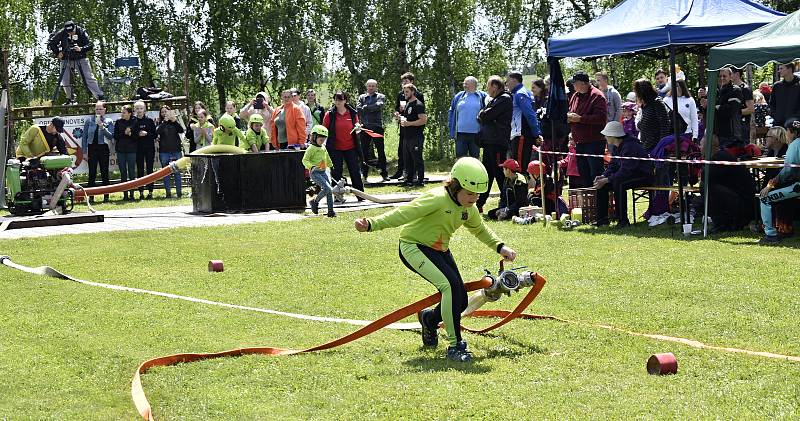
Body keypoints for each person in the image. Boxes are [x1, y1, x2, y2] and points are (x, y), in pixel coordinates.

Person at [354, 157, 518, 363]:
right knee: (449, 287)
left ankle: (429, 320)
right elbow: (403, 214)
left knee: (460, 300)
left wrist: (500, 247)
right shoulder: (437, 198)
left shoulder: (469, 208)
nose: (473, 198)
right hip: (413, 247)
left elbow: (479, 229)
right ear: (455, 186)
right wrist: (370, 224)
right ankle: (455, 345)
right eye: (469, 193)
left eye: (477, 194)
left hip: (440, 250)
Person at [593, 121, 654, 227]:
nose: (605, 137)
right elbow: (613, 165)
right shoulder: (618, 146)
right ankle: (602, 220)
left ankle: (623, 221)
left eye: (606, 135)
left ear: (613, 136)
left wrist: (608, 179)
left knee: (618, 183)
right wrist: (604, 176)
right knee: (602, 185)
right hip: (629, 174)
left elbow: (627, 170)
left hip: (643, 176)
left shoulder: (630, 146)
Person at [701, 134, 756, 233]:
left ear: (709, 147)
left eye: (701, 145)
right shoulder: (720, 156)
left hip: (742, 202)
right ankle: (721, 221)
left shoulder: (720, 157)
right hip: (737, 198)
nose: (699, 148)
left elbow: (705, 176)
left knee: (706, 187)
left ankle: (722, 223)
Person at [757, 118, 800, 244]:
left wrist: (770, 185)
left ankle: (770, 235)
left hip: (797, 186)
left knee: (764, 198)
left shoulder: (794, 145)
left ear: (790, 131)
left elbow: (787, 172)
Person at [476, 75, 512, 213]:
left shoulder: (504, 99)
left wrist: (483, 115)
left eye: (488, 86)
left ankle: (506, 201)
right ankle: (479, 203)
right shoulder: (496, 99)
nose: (487, 89)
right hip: (489, 142)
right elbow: (482, 116)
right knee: (487, 174)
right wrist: (483, 115)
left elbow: (485, 116)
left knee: (500, 173)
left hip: (497, 142)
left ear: (495, 86)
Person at [47, 21, 104, 104]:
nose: (70, 33)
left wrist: (81, 48)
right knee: (65, 80)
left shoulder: (81, 31)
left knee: (88, 78)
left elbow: (90, 44)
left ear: (75, 28)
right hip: (66, 58)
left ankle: (100, 96)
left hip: (80, 58)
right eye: (68, 32)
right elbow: (51, 42)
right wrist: (57, 52)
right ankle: (70, 98)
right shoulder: (62, 32)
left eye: (72, 31)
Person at [568, 71, 607, 187]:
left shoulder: (597, 96)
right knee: (583, 174)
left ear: (583, 83)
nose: (573, 85)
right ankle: (590, 204)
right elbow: (572, 112)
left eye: (575, 83)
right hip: (580, 142)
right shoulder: (575, 96)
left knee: (595, 174)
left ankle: (600, 204)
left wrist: (580, 119)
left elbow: (601, 118)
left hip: (594, 142)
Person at [323, 91, 365, 194]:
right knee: (336, 173)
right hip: (335, 148)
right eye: (336, 99)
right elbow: (323, 129)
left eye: (340, 99)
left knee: (355, 172)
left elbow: (357, 128)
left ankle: (360, 195)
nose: (338, 102)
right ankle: (337, 196)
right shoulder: (330, 114)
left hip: (351, 147)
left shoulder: (352, 113)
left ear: (345, 100)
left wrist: (358, 128)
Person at [506, 72, 542, 175]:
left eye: (507, 81)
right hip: (520, 134)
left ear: (514, 80)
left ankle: (521, 190)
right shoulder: (523, 92)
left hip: (521, 135)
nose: (506, 84)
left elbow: (530, 114)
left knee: (519, 167)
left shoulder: (520, 94)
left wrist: (536, 133)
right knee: (520, 165)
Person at [392, 72, 424, 180]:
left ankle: (415, 175)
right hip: (403, 126)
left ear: (411, 82)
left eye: (406, 81)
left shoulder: (418, 95)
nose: (404, 83)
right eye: (403, 81)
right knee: (402, 150)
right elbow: (398, 108)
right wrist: (397, 113)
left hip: (414, 128)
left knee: (414, 153)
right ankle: (402, 171)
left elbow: (421, 114)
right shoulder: (401, 95)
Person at [81, 101, 113, 203]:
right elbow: (85, 137)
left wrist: (102, 127)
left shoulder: (109, 121)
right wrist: (84, 152)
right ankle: (91, 196)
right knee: (92, 173)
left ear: (105, 110)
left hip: (103, 148)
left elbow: (110, 136)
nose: (98, 111)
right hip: (92, 148)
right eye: (97, 109)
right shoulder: (89, 121)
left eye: (100, 109)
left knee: (104, 172)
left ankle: (106, 196)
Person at [357, 79, 389, 181]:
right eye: (369, 86)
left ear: (376, 87)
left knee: (381, 151)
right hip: (365, 127)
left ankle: (384, 174)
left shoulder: (380, 96)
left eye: (373, 86)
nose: (371, 87)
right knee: (364, 152)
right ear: (367, 87)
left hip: (376, 127)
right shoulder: (362, 97)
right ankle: (364, 174)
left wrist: (365, 108)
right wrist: (369, 108)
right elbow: (358, 109)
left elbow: (378, 106)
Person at [396, 83, 427, 186]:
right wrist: (399, 117)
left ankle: (420, 180)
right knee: (407, 159)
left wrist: (410, 124)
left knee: (417, 159)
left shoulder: (418, 104)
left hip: (416, 136)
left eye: (407, 92)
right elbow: (407, 118)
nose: (405, 94)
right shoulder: (407, 104)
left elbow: (423, 120)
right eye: (404, 92)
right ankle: (409, 180)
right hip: (406, 136)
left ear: (413, 92)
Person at [302, 125, 336, 217]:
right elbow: (304, 160)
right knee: (327, 188)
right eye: (320, 139)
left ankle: (331, 211)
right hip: (315, 173)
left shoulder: (323, 148)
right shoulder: (311, 148)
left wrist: (331, 166)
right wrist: (311, 167)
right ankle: (314, 201)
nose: (322, 141)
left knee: (329, 190)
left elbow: (327, 157)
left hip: (324, 171)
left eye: (324, 139)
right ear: (314, 137)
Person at [448, 76, 486, 159]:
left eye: (466, 83)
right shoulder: (459, 96)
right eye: (464, 83)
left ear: (474, 85)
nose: (464, 85)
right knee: (460, 157)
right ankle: (460, 172)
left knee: (475, 158)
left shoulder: (482, 96)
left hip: (476, 134)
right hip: (460, 134)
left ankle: (475, 172)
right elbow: (451, 112)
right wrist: (451, 129)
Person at [635, 78, 671, 152]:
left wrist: (661, 145)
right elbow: (644, 124)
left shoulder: (657, 103)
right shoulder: (645, 106)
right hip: (646, 144)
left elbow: (665, 124)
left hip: (656, 145)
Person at [156, 106, 184, 198]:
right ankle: (168, 193)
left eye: (166, 112)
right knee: (166, 173)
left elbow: (181, 130)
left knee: (177, 172)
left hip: (176, 150)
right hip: (164, 151)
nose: (165, 113)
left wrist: (174, 121)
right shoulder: (160, 122)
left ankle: (179, 193)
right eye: (163, 112)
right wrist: (165, 121)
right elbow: (157, 131)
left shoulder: (174, 122)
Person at [714, 68, 744, 149]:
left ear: (731, 77)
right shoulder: (716, 91)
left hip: (731, 135)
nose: (722, 78)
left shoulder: (735, 90)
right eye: (720, 76)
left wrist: (717, 107)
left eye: (724, 76)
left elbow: (731, 110)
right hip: (718, 133)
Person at [113, 105, 138, 201]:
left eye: (124, 112)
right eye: (121, 112)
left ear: (129, 113)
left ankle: (132, 194)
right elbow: (115, 136)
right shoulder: (118, 122)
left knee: (131, 172)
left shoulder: (134, 121)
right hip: (121, 150)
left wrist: (130, 134)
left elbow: (136, 137)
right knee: (123, 173)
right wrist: (124, 133)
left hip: (132, 150)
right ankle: (125, 195)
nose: (122, 114)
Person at [133, 101, 157, 200]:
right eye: (137, 108)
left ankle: (150, 191)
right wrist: (137, 134)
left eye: (141, 108)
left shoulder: (150, 121)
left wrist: (146, 134)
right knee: (140, 170)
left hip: (149, 149)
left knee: (150, 170)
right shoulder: (133, 121)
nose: (139, 110)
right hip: (138, 149)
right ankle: (141, 191)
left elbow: (155, 135)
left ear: (144, 109)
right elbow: (131, 136)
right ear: (134, 110)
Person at [769, 63, 800, 129]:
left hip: (794, 127)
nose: (779, 71)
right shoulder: (777, 86)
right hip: (778, 124)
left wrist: (795, 119)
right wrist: (776, 116)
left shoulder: (798, 85)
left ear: (790, 69)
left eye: (781, 68)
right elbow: (772, 104)